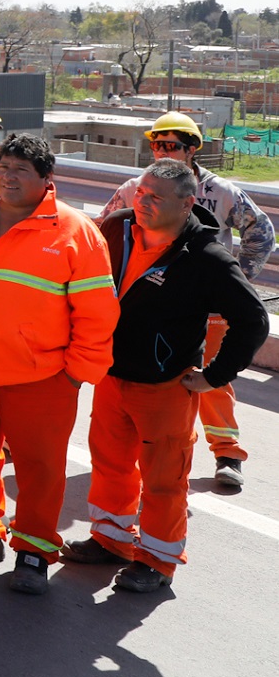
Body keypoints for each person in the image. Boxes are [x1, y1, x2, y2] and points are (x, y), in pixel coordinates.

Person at [66, 159, 270, 592]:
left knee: (163, 481)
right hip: (110, 377)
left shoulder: (208, 258)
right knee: (110, 465)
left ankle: (158, 561)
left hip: (164, 388)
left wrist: (214, 376)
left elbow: (252, 320)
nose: (142, 202)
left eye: (156, 197)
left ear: (187, 203)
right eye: (141, 192)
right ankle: (111, 540)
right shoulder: (116, 228)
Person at [0, 134, 119, 595]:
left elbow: (98, 314)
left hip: (41, 380)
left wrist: (77, 373)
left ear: (45, 179)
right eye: (4, 166)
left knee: (39, 469)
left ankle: (34, 552)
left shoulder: (76, 231)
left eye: (22, 170)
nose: (9, 177)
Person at [99, 111, 272, 491]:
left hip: (209, 306)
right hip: (154, 302)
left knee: (212, 382)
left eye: (172, 145)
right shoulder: (134, 188)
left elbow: (261, 231)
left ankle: (227, 452)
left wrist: (237, 278)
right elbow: (100, 234)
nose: (162, 150)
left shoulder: (222, 191)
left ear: (192, 149)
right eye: (156, 144)